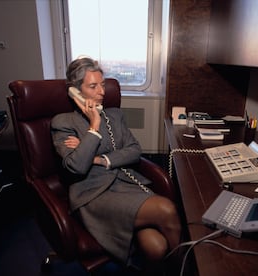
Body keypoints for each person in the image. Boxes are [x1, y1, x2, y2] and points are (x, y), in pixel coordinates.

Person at [51, 57, 181, 272]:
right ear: (75, 91)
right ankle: (184, 270)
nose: (102, 91)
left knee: (155, 247)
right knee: (166, 209)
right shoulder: (63, 122)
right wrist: (94, 125)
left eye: (102, 84)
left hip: (125, 185)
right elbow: (77, 167)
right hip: (93, 194)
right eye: (93, 86)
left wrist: (99, 159)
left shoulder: (115, 115)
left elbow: (134, 150)